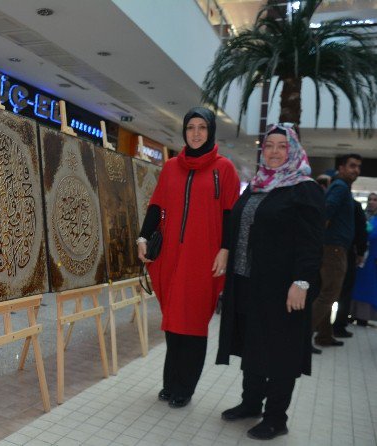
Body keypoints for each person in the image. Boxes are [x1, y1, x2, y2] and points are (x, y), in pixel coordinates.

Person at [216, 123, 324, 440]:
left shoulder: (304, 189)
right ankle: (251, 403)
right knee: (253, 344)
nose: (274, 152)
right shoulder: (257, 186)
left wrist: (302, 282)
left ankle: (276, 417)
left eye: (282, 146)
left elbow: (312, 241)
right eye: (269, 146)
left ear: (293, 150)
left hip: (283, 287)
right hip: (249, 281)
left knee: (280, 350)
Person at [137, 106, 240, 409]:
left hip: (204, 260)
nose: (196, 133)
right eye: (191, 127)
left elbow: (231, 214)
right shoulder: (171, 167)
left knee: (193, 323)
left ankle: (185, 386)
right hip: (171, 257)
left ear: (210, 132)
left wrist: (225, 249)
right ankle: (171, 383)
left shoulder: (225, 169)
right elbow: (156, 207)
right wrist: (143, 236)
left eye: (202, 128)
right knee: (173, 321)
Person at [311, 154, 362, 348]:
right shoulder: (340, 187)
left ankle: (324, 335)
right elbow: (327, 210)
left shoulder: (341, 186)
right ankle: (300, 338)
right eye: (352, 166)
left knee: (326, 293)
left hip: (334, 247)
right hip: (334, 249)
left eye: (358, 167)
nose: (355, 170)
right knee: (329, 295)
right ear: (341, 168)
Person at [331, 199, 367, 339]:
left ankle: (321, 326)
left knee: (327, 291)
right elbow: (361, 231)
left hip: (329, 250)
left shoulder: (329, 202)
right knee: (344, 292)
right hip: (347, 251)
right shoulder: (354, 206)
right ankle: (338, 326)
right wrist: (361, 252)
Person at [351, 195, 377, 325]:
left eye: (375, 200)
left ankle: (363, 317)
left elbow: (371, 235)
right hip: (361, 259)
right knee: (357, 286)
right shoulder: (364, 216)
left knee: (369, 288)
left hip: (373, 260)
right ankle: (354, 313)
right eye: (370, 200)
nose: (371, 202)